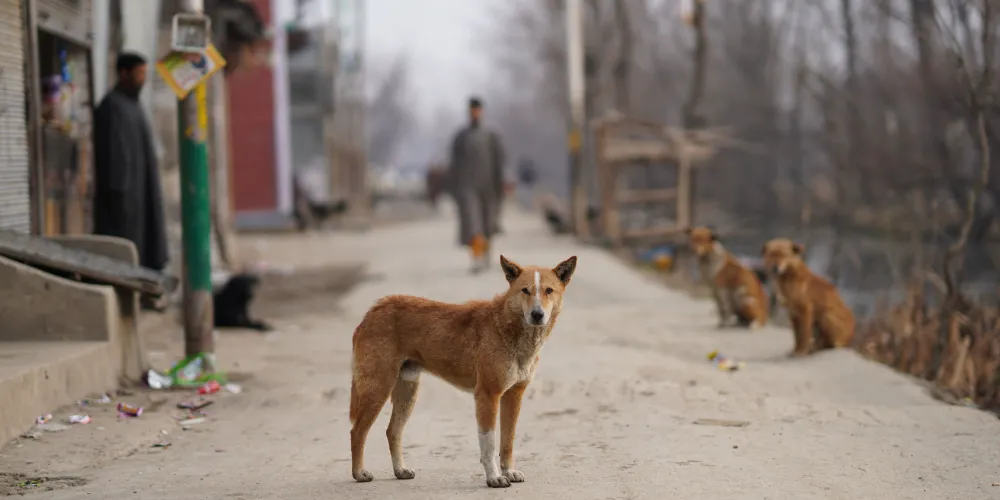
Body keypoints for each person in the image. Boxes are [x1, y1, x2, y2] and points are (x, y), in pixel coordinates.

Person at [93, 52, 169, 310]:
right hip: (123, 198)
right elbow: (114, 159)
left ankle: (147, 291)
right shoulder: (111, 106)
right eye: (138, 74)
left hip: (141, 190)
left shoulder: (133, 106)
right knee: (127, 246)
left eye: (145, 75)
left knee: (148, 242)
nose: (142, 80)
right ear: (123, 73)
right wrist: (121, 196)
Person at [447, 97, 506, 273]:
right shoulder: (461, 137)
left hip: (489, 186)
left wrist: (500, 185)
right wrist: (454, 188)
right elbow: (454, 165)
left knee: (488, 223)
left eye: (477, 109)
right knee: (473, 224)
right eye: (472, 110)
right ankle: (477, 258)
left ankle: (486, 252)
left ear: (481, 111)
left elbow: (500, 162)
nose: (475, 113)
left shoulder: (491, 135)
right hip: (467, 187)